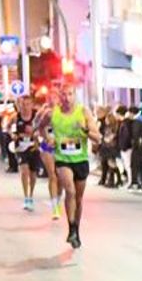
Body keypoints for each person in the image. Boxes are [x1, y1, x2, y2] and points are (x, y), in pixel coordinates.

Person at [48, 83, 101, 249]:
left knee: (78, 198)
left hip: (80, 159)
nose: (67, 98)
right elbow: (39, 126)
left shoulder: (83, 112)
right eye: (64, 94)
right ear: (60, 96)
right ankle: (71, 227)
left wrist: (84, 130)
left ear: (75, 95)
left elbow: (97, 138)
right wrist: (47, 139)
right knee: (69, 191)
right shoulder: (53, 112)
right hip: (62, 159)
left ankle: (75, 230)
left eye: (70, 94)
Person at [6, 96, 42, 211]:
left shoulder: (37, 116)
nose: (25, 107)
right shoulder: (15, 117)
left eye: (27, 104)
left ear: (31, 105)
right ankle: (26, 198)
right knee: (24, 171)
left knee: (33, 174)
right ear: (19, 105)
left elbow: (44, 127)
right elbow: (7, 127)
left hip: (34, 146)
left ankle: (31, 195)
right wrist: (12, 134)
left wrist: (37, 133)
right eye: (22, 105)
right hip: (21, 147)